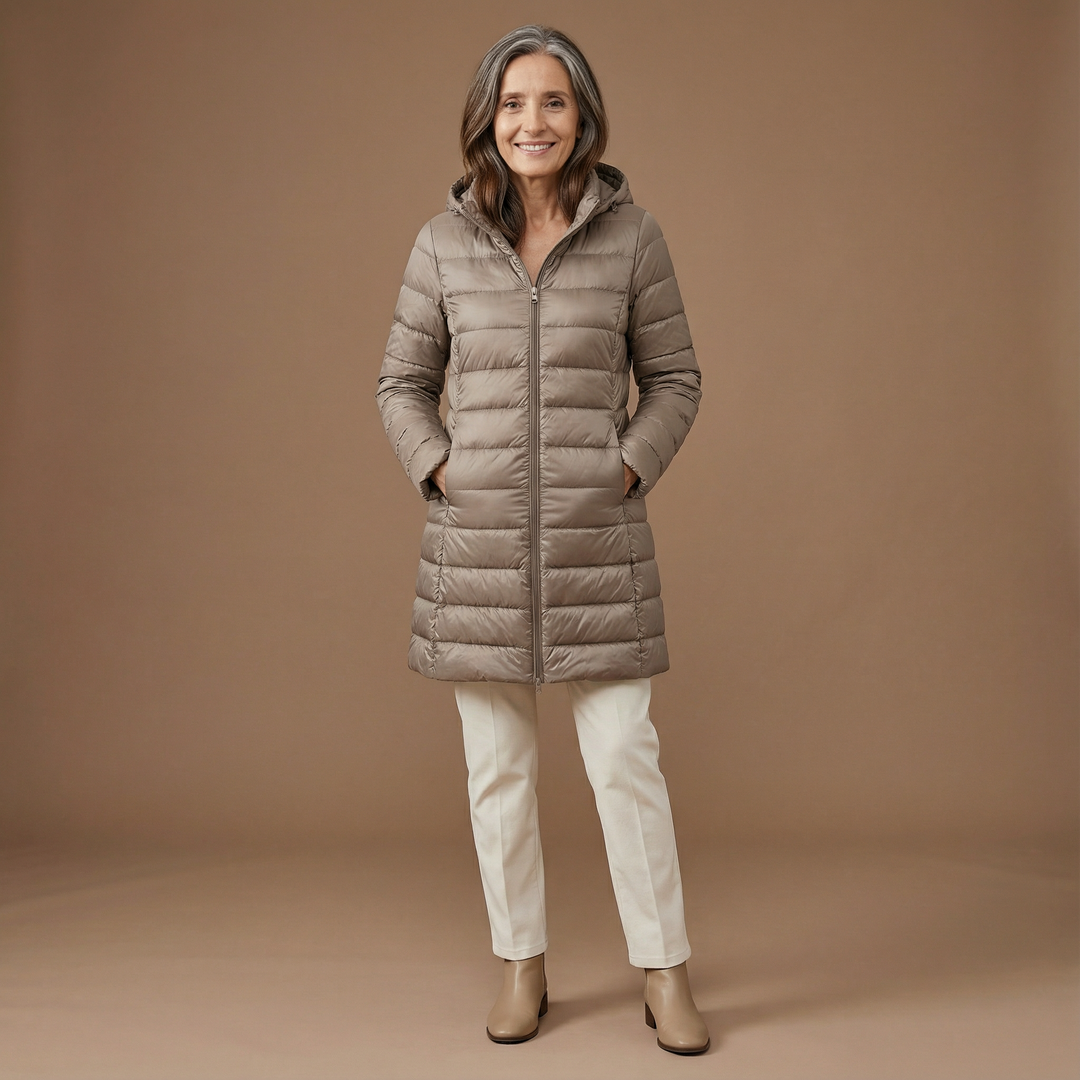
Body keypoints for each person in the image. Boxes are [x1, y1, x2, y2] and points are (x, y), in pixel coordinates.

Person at [376, 25, 708, 1056]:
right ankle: (522, 964)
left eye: (553, 101)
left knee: (625, 764)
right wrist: (444, 470)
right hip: (476, 552)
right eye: (514, 103)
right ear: (488, 119)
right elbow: (401, 384)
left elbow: (675, 381)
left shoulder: (633, 238)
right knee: (499, 774)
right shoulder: (442, 245)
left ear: (582, 116)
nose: (533, 122)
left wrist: (624, 469)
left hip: (596, 547)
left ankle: (665, 971)